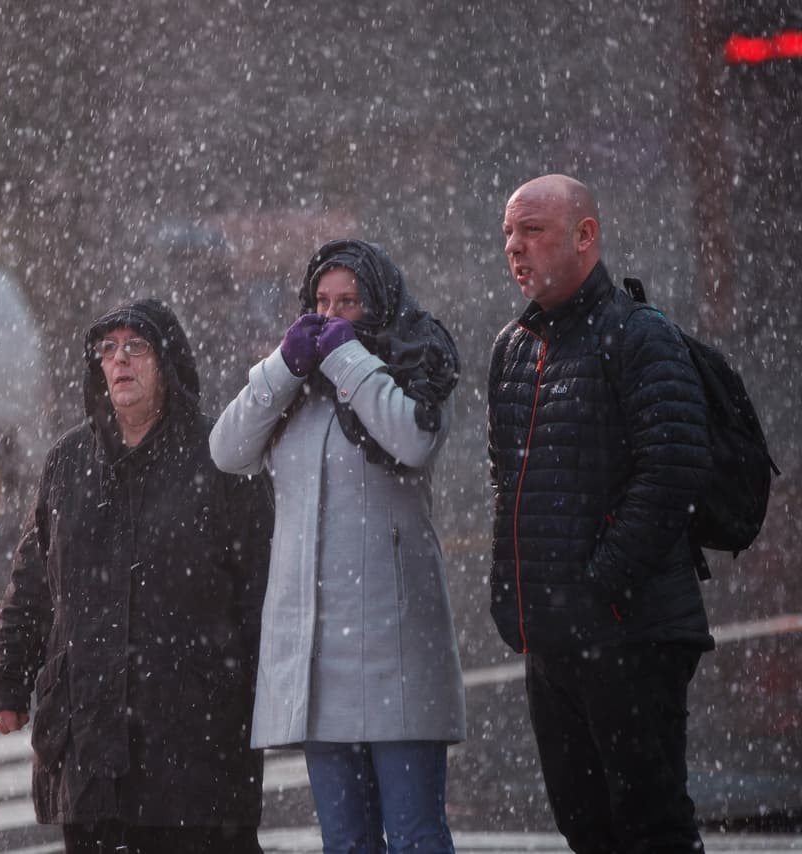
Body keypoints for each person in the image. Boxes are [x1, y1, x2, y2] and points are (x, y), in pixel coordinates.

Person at [0, 299, 272, 854]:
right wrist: (8, 679)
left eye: (135, 347)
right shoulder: (69, 462)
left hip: (195, 740)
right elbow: (35, 583)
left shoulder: (221, 458)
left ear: (166, 362)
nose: (120, 361)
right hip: (89, 737)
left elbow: (262, 592)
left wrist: (274, 696)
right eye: (108, 349)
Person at [210, 239, 466, 854]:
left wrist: (349, 360)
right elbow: (225, 450)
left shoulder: (416, 369)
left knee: (415, 838)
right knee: (346, 843)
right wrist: (283, 365)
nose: (331, 316)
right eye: (321, 302)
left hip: (394, 649)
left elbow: (411, 440)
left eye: (348, 302)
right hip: (318, 659)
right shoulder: (295, 391)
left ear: (377, 304)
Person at [487, 174, 714, 853]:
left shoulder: (639, 335)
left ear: (586, 236)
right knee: (584, 825)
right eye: (508, 235)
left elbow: (674, 472)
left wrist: (600, 585)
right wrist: (512, 599)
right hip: (553, 639)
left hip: (631, 633)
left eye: (533, 231)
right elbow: (506, 477)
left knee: (652, 825)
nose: (515, 248)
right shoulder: (512, 347)